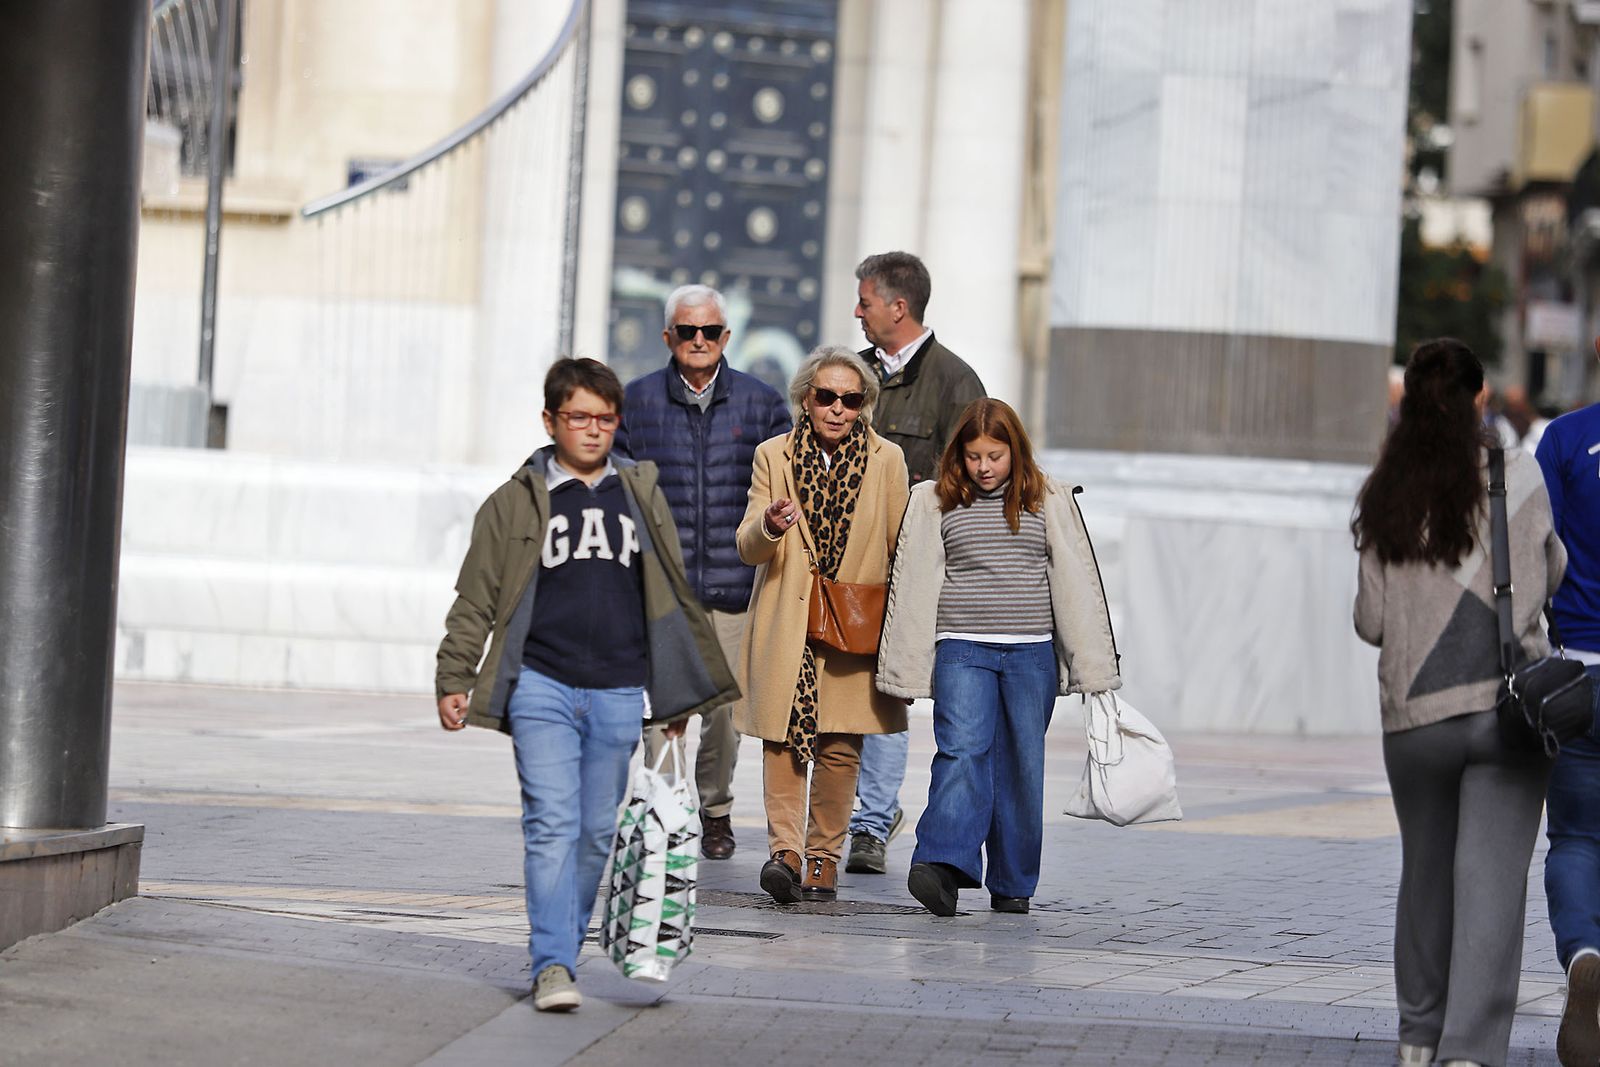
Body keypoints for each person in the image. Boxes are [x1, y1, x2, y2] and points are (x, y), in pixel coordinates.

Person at [434, 358, 738, 1013]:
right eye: (579, 417)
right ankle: (550, 963)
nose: (594, 430)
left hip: (619, 689)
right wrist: (454, 674)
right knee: (551, 824)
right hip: (540, 682)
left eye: (605, 418)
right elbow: (475, 597)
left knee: (597, 830)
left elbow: (670, 598)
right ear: (551, 421)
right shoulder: (515, 501)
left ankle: (562, 951)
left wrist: (677, 693)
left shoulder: (639, 493)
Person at [1352, 338, 1566, 1067]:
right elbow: (1552, 571)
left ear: (1411, 399)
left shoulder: (1388, 487)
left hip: (1413, 719)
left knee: (1425, 874)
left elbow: (1371, 622)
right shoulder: (1521, 475)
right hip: (1504, 709)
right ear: (1480, 397)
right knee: (1491, 886)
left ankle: (1417, 1036)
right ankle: (1469, 1051)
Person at [876, 398, 1121, 916]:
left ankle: (1013, 882)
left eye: (995, 455)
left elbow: (1073, 582)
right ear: (958, 456)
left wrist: (1090, 662)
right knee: (962, 751)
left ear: (1016, 451)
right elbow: (918, 579)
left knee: (1020, 766)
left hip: (1030, 654)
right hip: (961, 647)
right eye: (973, 456)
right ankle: (941, 865)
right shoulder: (935, 500)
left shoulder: (1047, 497)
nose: (984, 467)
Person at [615, 284, 792, 861]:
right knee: (662, 712)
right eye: (686, 331)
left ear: (726, 337)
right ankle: (665, 810)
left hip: (733, 588)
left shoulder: (762, 403)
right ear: (667, 336)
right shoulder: (635, 403)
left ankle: (715, 812)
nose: (698, 341)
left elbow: (783, 488)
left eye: (709, 332)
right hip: (662, 591)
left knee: (723, 717)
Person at [735, 344, 910, 903]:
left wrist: (901, 631)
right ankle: (784, 852)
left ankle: (823, 858)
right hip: (788, 619)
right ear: (805, 399)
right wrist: (768, 524)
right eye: (826, 396)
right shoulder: (774, 455)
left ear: (864, 404)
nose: (837, 408)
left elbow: (898, 545)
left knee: (840, 745)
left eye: (850, 399)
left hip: (852, 622)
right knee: (781, 741)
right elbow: (747, 547)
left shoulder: (888, 460)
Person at [847, 250, 987, 877]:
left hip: (912, 568)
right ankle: (835, 820)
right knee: (839, 687)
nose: (858, 312)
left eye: (867, 302)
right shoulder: (848, 376)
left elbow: (976, 481)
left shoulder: (957, 384)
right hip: (843, 563)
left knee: (889, 686)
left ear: (898, 308)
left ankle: (871, 825)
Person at [1535, 336, 1600, 1067]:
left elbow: (1534, 549)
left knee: (1578, 838)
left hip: (1579, 668)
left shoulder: (1565, 438)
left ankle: (1584, 949)